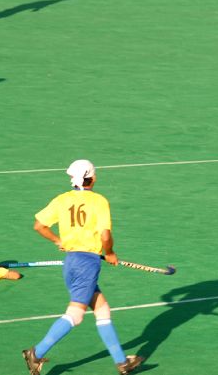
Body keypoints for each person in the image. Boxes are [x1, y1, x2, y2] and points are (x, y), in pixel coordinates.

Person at [23, 159, 143, 375]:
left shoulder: (62, 199)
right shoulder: (99, 201)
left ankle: (122, 362)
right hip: (87, 264)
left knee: (102, 309)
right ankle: (36, 353)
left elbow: (39, 226)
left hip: (71, 262)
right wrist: (110, 253)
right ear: (92, 178)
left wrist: (58, 241)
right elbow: (105, 236)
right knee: (75, 315)